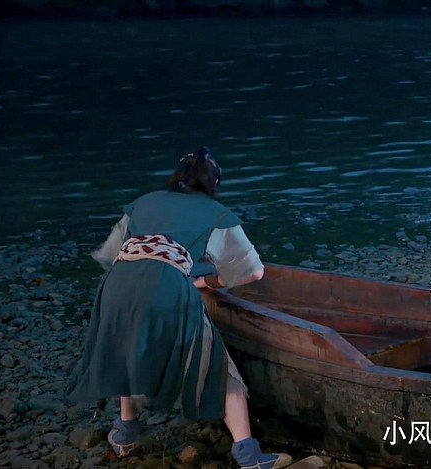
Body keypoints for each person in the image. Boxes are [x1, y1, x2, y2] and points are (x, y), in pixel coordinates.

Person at [67, 147, 280, 468]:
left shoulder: (143, 202)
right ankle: (248, 455)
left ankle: (125, 433)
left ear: (177, 176)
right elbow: (253, 272)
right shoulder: (217, 214)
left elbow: (109, 254)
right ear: (214, 183)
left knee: (129, 347)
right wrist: (207, 281)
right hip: (164, 289)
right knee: (218, 367)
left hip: (116, 284)